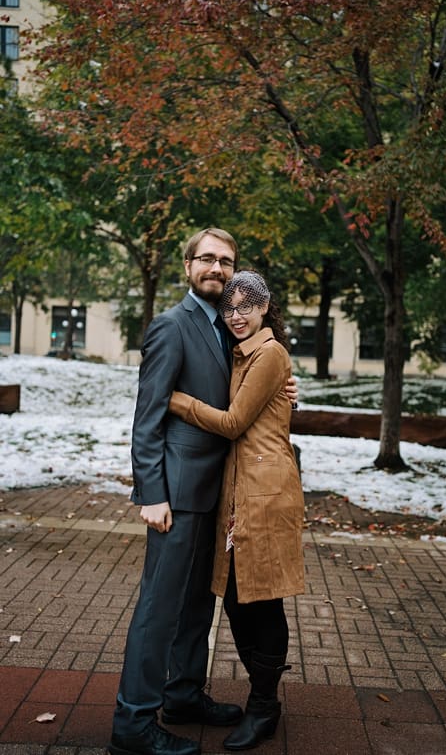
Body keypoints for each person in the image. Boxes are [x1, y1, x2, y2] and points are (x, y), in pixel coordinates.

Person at [110, 229, 296, 755]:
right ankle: (133, 724)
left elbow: (251, 401)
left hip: (221, 495)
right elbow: (147, 419)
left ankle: (184, 695)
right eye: (207, 259)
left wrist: (288, 393)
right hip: (176, 496)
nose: (217, 268)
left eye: (227, 261)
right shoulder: (172, 326)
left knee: (196, 608)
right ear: (188, 265)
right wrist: (151, 493)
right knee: (158, 609)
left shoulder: (232, 330)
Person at [168, 270, 304, 751]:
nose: (236, 316)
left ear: (266, 307)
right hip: (242, 489)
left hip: (265, 494)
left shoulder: (268, 354)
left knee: (260, 598)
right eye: (229, 308)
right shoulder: (243, 354)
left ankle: (264, 707)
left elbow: (231, 423)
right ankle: (263, 700)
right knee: (238, 597)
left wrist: (177, 400)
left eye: (247, 305)